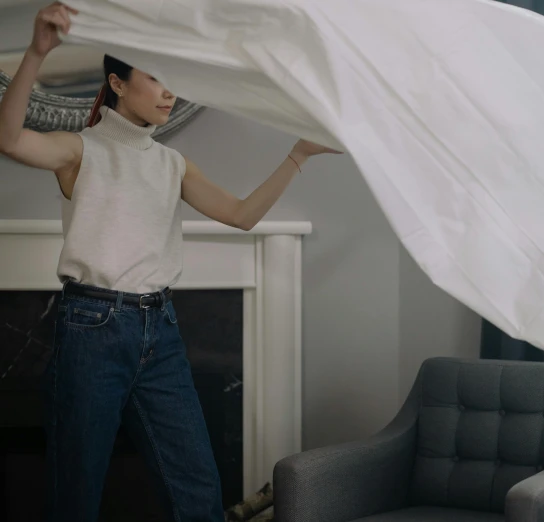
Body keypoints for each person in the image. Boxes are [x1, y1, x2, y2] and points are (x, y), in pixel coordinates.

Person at [0, 3, 339, 521]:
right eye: (156, 78)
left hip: (161, 332)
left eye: (174, 81)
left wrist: (298, 155)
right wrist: (38, 52)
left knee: (196, 488)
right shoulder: (79, 150)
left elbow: (242, 215)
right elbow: (9, 140)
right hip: (93, 329)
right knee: (76, 490)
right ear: (116, 83)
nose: (168, 91)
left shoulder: (171, 163)